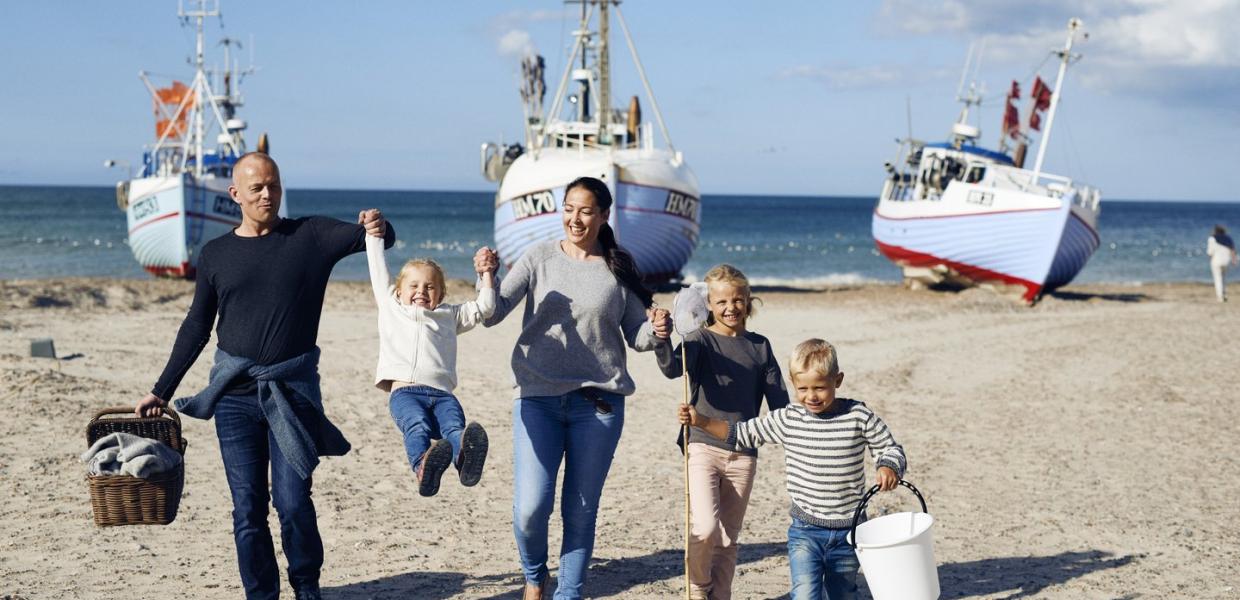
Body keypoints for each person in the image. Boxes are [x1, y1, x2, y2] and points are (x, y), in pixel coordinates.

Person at [134, 152, 396, 600]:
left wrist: (377, 222)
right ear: (235, 194)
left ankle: (306, 586)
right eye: (256, 188)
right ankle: (261, 594)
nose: (267, 194)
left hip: (292, 393)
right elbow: (197, 327)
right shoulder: (215, 254)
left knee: (293, 502)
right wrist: (162, 390)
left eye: (273, 185)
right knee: (248, 509)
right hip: (233, 398)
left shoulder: (310, 235)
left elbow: (382, 239)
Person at [482, 176, 672, 600]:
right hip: (537, 397)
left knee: (580, 511)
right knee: (531, 508)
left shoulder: (618, 269)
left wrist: (657, 330)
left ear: (604, 216)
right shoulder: (538, 257)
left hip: (599, 404)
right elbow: (493, 315)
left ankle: (569, 593)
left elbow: (638, 338)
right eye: (569, 208)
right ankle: (535, 577)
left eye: (586, 210)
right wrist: (488, 278)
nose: (575, 218)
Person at [678, 339, 907, 600]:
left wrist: (889, 466)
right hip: (805, 531)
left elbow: (890, 448)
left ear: (838, 380)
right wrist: (701, 421)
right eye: (803, 388)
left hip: (850, 531)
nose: (811, 396)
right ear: (793, 382)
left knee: (842, 593)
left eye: (820, 388)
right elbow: (742, 434)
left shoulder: (858, 415)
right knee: (806, 595)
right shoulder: (788, 419)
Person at [653, 264, 789, 600]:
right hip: (702, 446)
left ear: (748, 301)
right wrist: (661, 338)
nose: (731, 308)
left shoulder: (760, 347)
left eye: (738, 300)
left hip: (745, 453)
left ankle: (720, 595)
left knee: (728, 538)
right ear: (709, 306)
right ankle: (699, 588)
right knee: (706, 529)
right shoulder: (699, 340)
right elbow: (672, 367)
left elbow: (780, 407)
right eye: (722, 302)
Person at [364, 229, 496, 496]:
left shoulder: (450, 316)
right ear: (398, 291)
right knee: (417, 426)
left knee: (455, 428)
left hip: (444, 396)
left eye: (430, 286)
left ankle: (464, 461)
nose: (421, 291)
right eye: (413, 286)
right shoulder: (392, 308)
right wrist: (373, 236)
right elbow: (378, 269)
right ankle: (423, 467)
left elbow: (486, 308)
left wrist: (487, 275)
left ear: (441, 293)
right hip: (405, 393)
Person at [1206, 225, 1237, 302]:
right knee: (1223, 278)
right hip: (1226, 260)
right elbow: (1232, 250)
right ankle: (1224, 294)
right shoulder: (1228, 238)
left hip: (1216, 261)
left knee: (1218, 278)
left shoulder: (1212, 238)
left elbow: (1210, 252)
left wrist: (1209, 258)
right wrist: (1234, 260)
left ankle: (1220, 296)